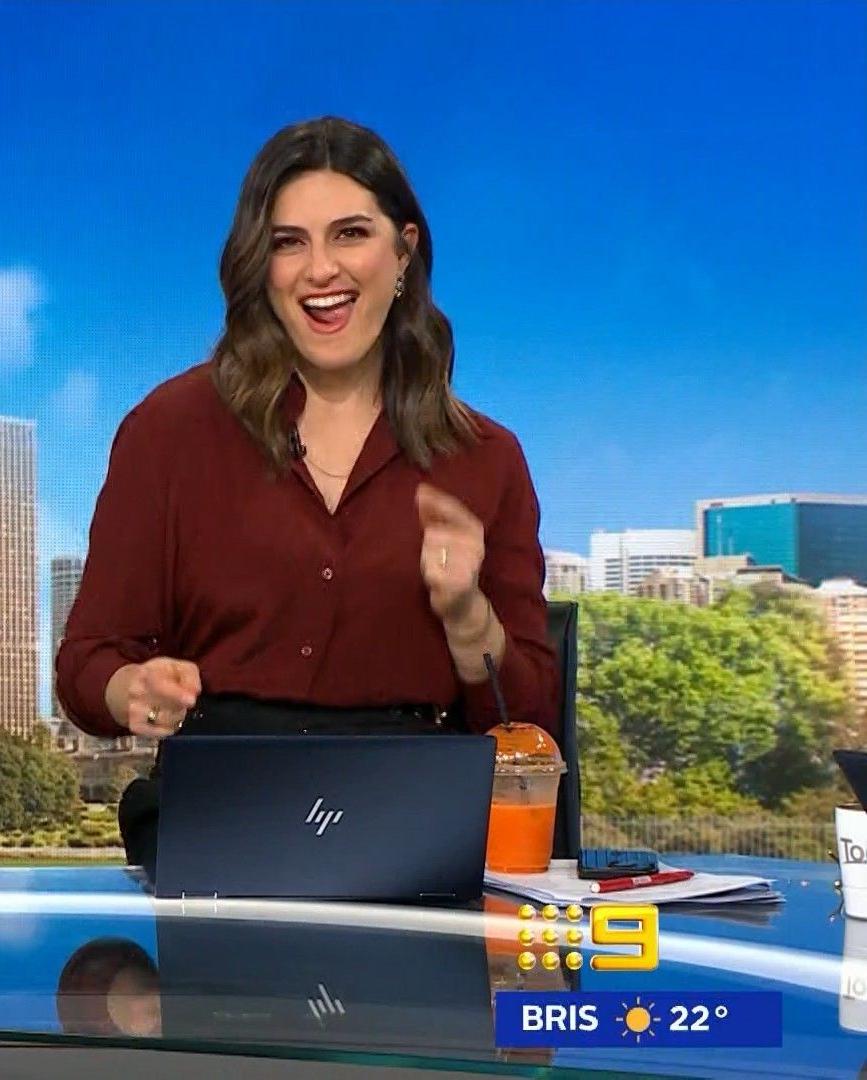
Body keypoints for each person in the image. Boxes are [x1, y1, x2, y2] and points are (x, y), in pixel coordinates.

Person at [55, 116, 559, 865]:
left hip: (418, 837)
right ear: (261, 267)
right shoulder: (168, 432)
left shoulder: (485, 459)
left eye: (350, 234)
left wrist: (467, 618)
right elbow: (84, 663)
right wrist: (130, 688)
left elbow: (531, 719)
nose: (319, 269)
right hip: (219, 825)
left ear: (403, 252)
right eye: (289, 243)